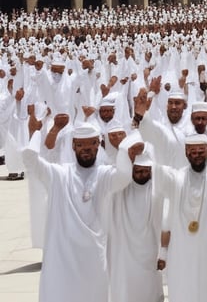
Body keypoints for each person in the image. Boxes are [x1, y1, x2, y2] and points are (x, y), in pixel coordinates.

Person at [22, 120, 143, 302]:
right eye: (81, 144)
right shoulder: (59, 174)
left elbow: (124, 176)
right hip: (63, 259)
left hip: (92, 260)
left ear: (98, 145)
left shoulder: (104, 174)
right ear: (73, 146)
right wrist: (36, 133)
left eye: (91, 144)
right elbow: (30, 160)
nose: (86, 149)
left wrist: (125, 151)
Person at [152, 134, 207, 302]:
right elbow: (158, 172)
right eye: (193, 151)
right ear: (186, 153)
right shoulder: (177, 177)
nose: (198, 155)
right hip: (182, 253)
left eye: (201, 151)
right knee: (183, 291)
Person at [107, 147, 164, 302]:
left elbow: (164, 222)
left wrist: (163, 251)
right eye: (138, 171)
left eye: (146, 171)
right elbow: (114, 175)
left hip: (150, 249)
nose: (142, 175)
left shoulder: (157, 190)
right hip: (125, 251)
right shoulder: (122, 190)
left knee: (150, 289)